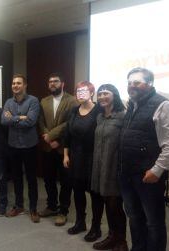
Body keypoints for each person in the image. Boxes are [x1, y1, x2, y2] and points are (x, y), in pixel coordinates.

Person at [119, 67, 169, 251]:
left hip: (148, 175)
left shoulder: (163, 105)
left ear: (150, 83)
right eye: (129, 83)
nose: (132, 86)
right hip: (127, 173)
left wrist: (157, 170)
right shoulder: (132, 104)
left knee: (154, 221)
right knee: (134, 216)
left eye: (137, 82)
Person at [63, 81, 103, 242]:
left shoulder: (99, 110)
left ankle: (96, 227)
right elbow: (67, 135)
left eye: (84, 91)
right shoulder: (73, 110)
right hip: (75, 158)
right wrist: (66, 155)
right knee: (78, 192)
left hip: (93, 158)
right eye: (78, 91)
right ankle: (80, 222)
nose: (80, 94)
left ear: (92, 93)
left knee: (95, 195)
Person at [91, 84, 128, 251]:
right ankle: (112, 236)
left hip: (114, 169)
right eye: (99, 94)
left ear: (115, 95)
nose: (101, 97)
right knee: (107, 203)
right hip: (100, 168)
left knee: (115, 206)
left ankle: (121, 241)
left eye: (106, 93)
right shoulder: (99, 116)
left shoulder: (123, 116)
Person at [38, 72, 77, 226]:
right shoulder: (44, 101)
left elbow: (70, 123)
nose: (52, 84)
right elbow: (40, 121)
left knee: (65, 181)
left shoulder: (72, 101)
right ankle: (52, 206)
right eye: (50, 81)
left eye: (55, 81)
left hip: (63, 148)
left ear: (63, 83)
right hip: (47, 147)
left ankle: (63, 210)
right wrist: (46, 136)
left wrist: (55, 138)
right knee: (48, 179)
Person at [1, 74, 40, 223]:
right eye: (13, 83)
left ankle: (33, 208)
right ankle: (19, 206)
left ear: (25, 85)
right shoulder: (8, 102)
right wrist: (20, 117)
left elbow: (30, 121)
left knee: (31, 178)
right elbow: (4, 121)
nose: (15, 85)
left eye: (18, 83)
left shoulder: (33, 101)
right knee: (16, 178)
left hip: (29, 146)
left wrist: (13, 117)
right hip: (13, 146)